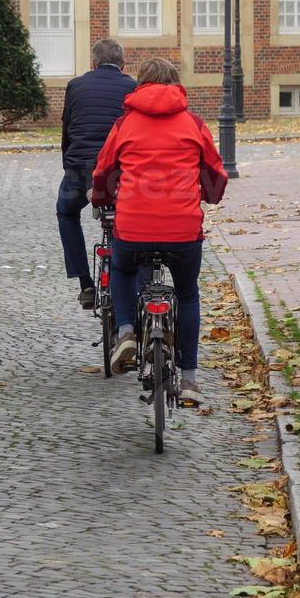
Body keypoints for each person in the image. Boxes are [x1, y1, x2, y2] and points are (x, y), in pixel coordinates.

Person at [91, 58, 227, 405]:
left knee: (122, 268)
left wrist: (105, 198)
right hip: (182, 229)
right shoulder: (193, 124)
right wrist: (209, 196)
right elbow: (214, 172)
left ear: (141, 85)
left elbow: (104, 171)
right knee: (187, 295)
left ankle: (125, 331)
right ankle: (191, 379)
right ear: (177, 84)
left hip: (133, 226)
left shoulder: (125, 124)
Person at [58, 38, 136, 308]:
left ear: (92, 63)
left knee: (66, 212)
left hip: (80, 170)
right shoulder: (132, 86)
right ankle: (129, 277)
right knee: (126, 217)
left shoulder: (75, 86)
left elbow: (67, 129)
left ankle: (85, 283)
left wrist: (69, 165)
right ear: (122, 64)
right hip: (118, 171)